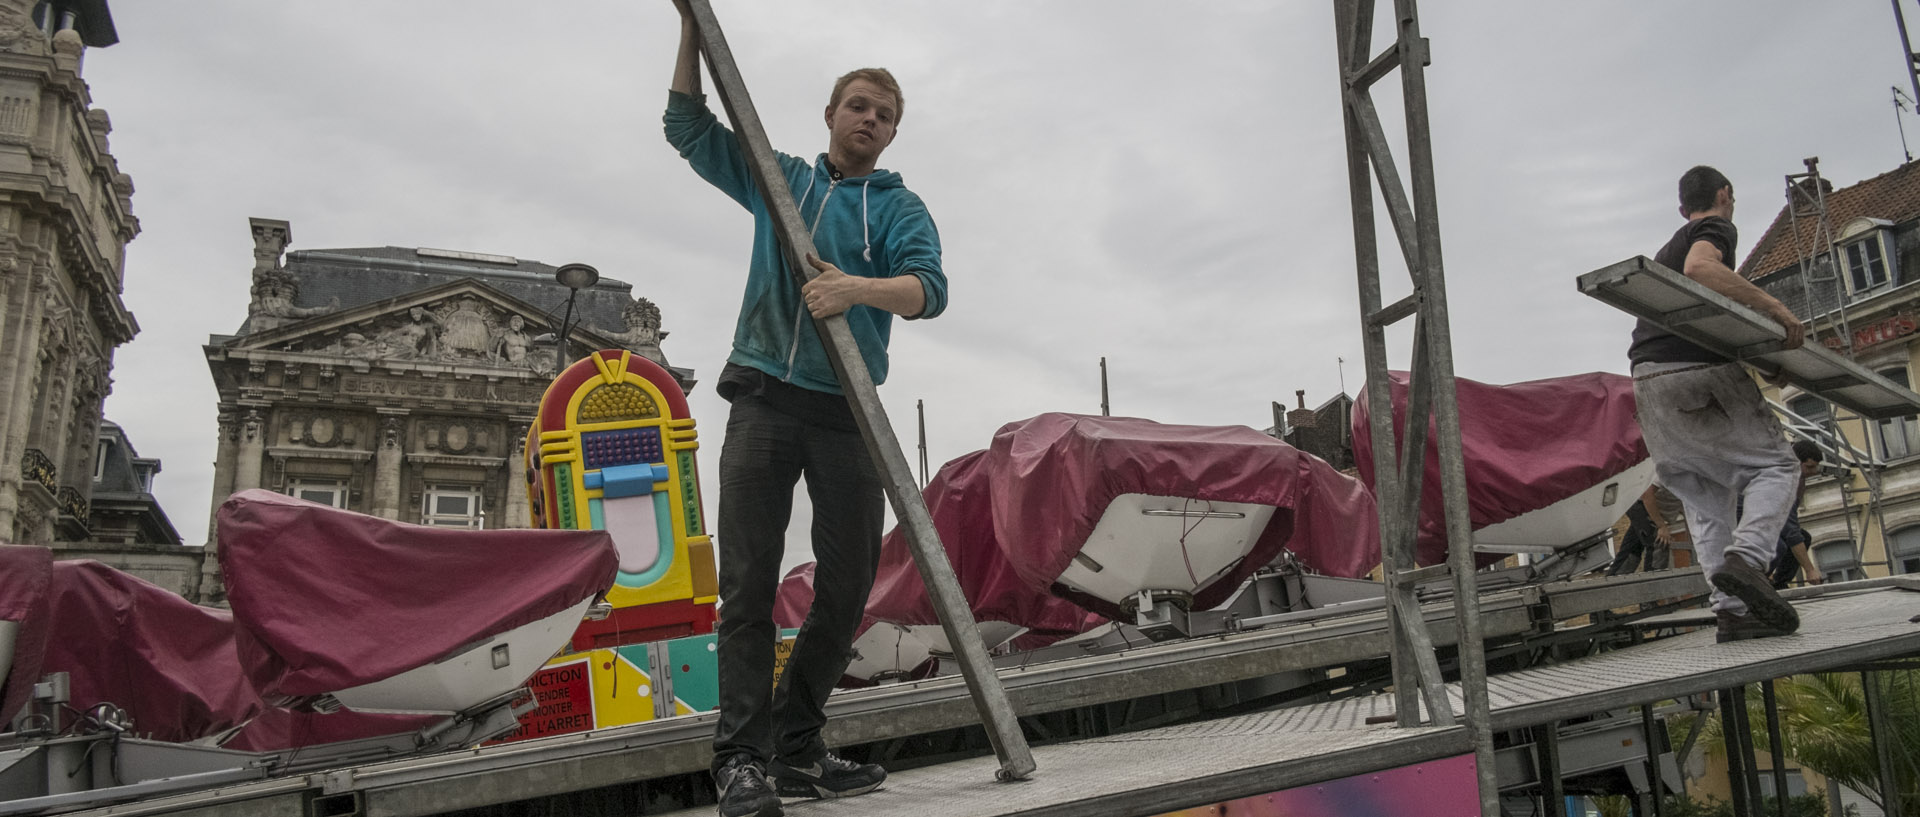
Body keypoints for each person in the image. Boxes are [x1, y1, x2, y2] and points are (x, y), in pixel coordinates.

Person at [663, 4, 948, 816]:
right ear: (830, 114)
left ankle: (797, 745)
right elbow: (687, 126)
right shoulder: (781, 178)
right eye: (859, 105)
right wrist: (691, 27)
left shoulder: (897, 209)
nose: (870, 120)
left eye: (885, 115)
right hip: (761, 395)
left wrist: (854, 288)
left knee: (851, 582)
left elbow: (930, 289)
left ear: (893, 136)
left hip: (846, 409)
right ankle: (742, 760)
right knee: (749, 584)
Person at [1628, 165, 1804, 644]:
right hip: (1695, 375)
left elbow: (1702, 319)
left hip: (1648, 383)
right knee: (1777, 468)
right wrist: (1776, 309)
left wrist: (1764, 365)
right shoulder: (1713, 229)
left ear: (1680, 206)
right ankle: (1748, 560)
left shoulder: (1666, 251)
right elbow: (1702, 269)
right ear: (1724, 193)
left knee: (1707, 502)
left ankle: (1732, 611)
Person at [1768, 440, 1827, 589]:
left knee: (1803, 537)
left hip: (1765, 521)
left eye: (1815, 467)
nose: (1813, 472)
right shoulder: (1782, 481)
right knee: (1780, 545)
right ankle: (1758, 580)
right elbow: (1790, 530)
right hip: (1741, 522)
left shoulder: (1797, 479)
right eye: (1809, 467)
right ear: (1795, 462)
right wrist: (1810, 570)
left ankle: (1778, 582)